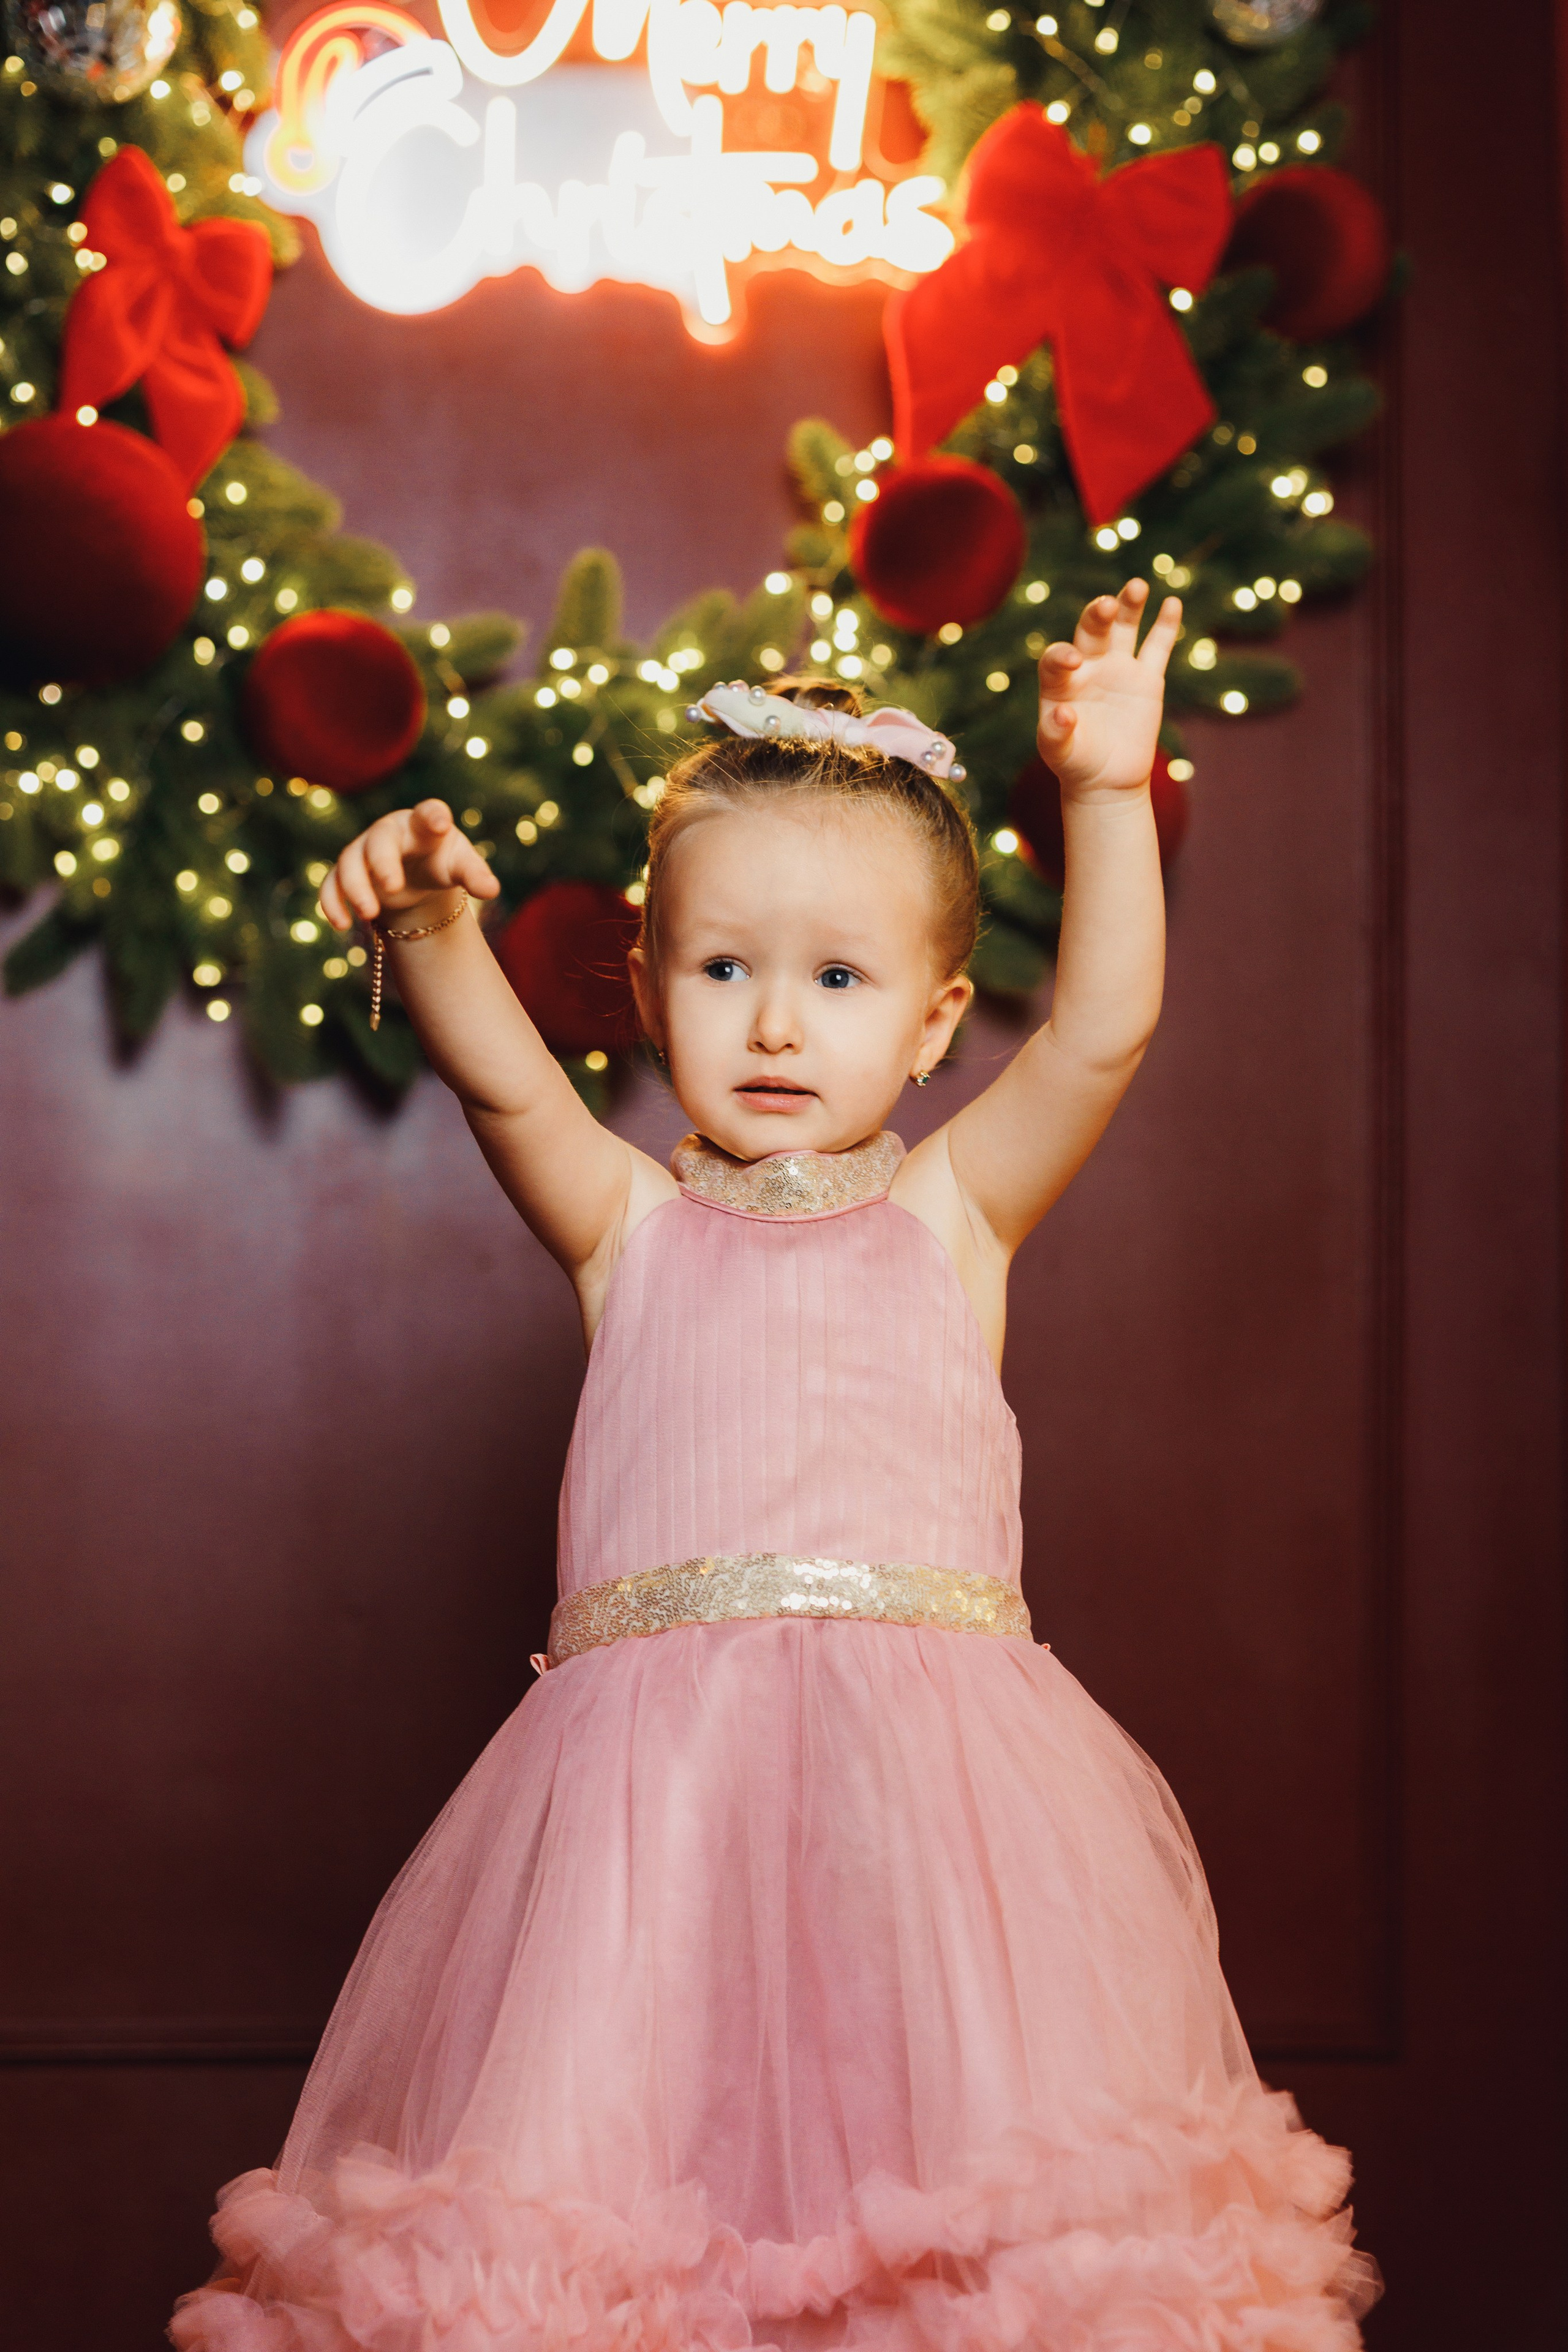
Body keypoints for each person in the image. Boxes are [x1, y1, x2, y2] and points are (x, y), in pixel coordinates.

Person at [172, 582, 1377, 2351]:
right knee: (617, 2225)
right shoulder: (630, 1231)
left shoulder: (953, 1216)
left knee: (965, 2220)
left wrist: (1107, 794)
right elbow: (508, 1090)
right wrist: (431, 925)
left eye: (838, 978)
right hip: (644, 1846)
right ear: (648, 981)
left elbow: (1104, 1032)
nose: (778, 1025)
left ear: (936, 1016)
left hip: (939, 1830)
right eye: (725, 969)